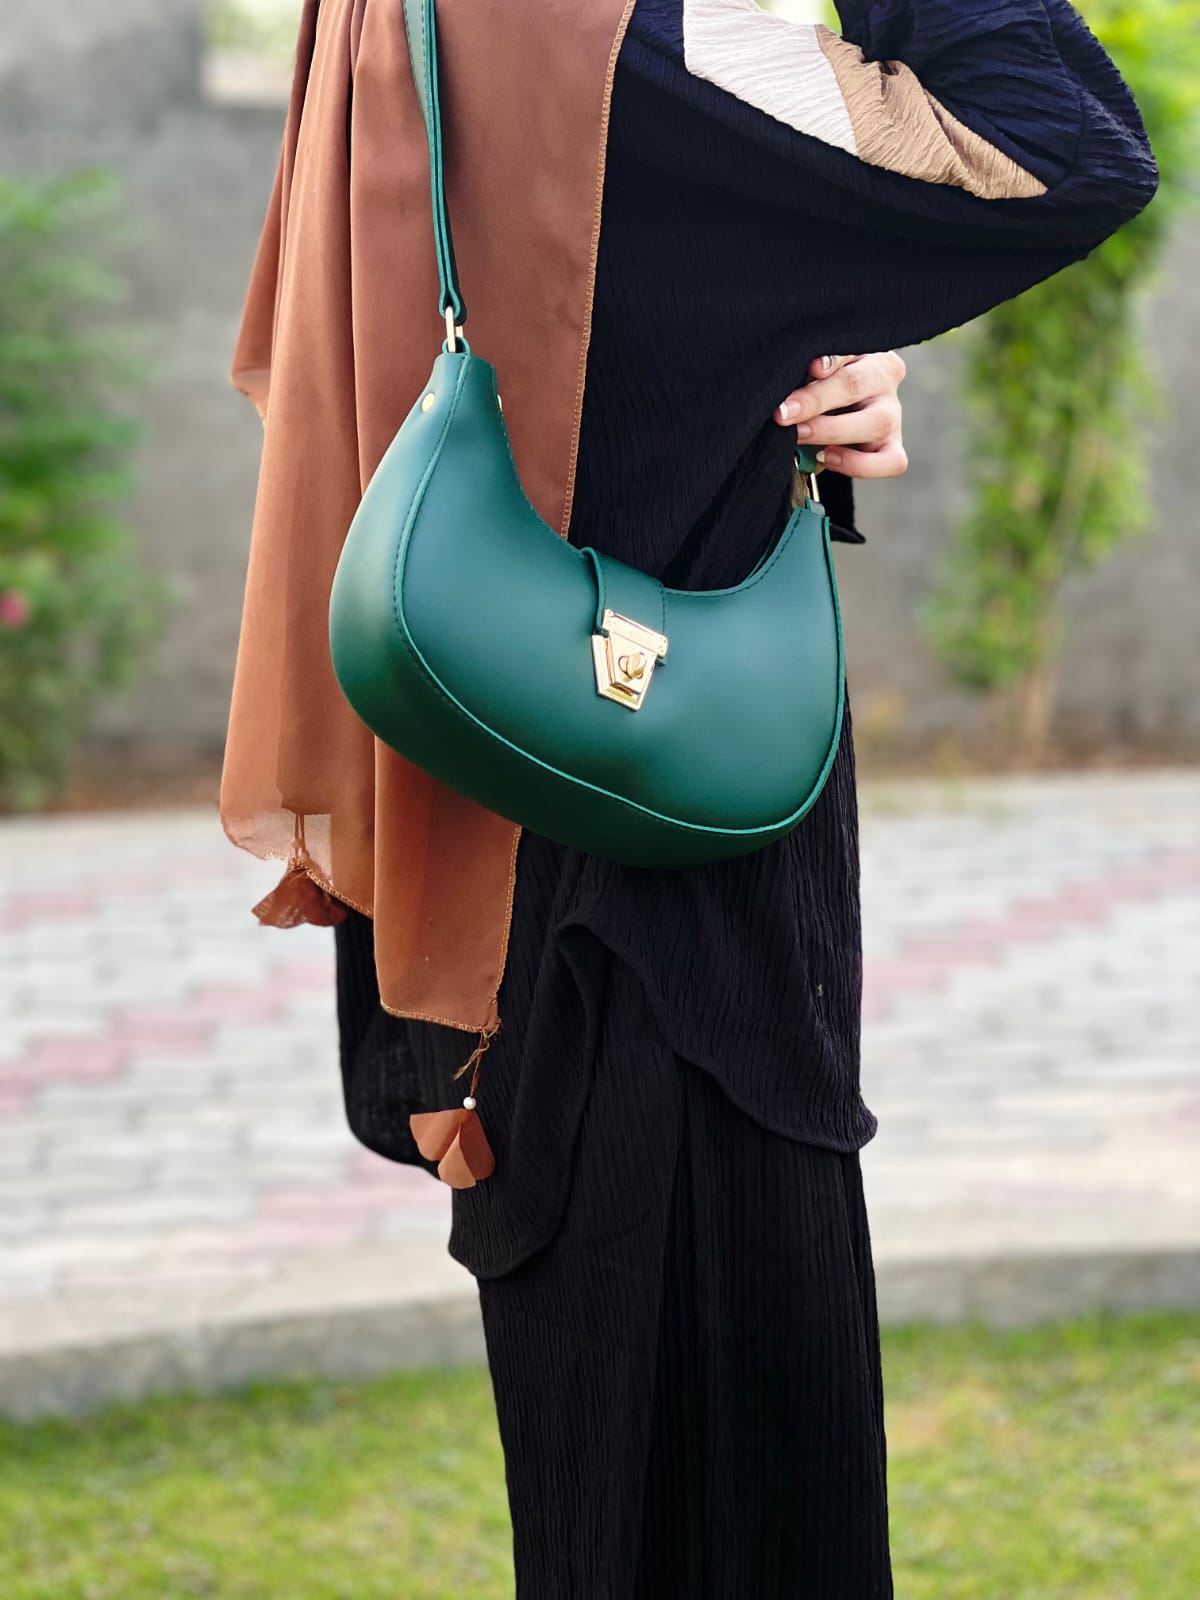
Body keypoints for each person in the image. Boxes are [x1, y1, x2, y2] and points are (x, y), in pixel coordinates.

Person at [222, 1, 1156, 1593]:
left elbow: (618, 308)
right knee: (733, 1491)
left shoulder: (414, 25)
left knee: (613, 1492)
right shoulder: (659, 42)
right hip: (665, 876)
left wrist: (814, 352)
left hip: (490, 825)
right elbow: (1065, 139)